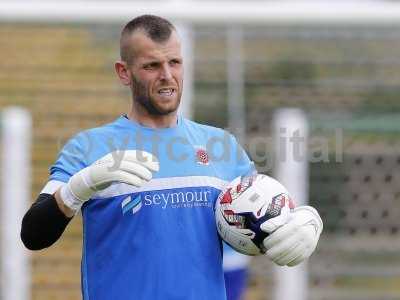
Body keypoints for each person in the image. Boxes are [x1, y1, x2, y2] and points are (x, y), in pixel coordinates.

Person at [20, 15, 323, 300]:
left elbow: (265, 222)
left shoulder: (221, 146)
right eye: (152, 65)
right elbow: (33, 235)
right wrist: (78, 187)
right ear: (123, 72)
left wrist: (307, 224)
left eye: (174, 62)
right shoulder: (88, 147)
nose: (167, 76)